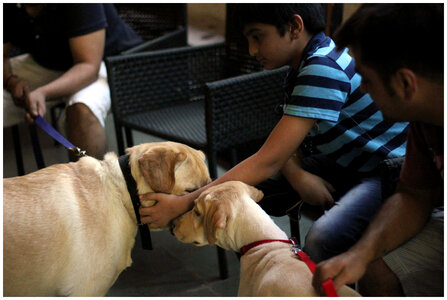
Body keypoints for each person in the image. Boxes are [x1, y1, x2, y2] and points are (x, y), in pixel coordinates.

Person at [139, 3, 408, 266]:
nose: (252, 50)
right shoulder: (303, 65)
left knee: (322, 238)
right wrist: (298, 175)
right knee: (240, 193)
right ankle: (260, 266)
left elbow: (269, 159)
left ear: (294, 26)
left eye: (257, 37)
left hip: (385, 173)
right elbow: (282, 149)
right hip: (345, 161)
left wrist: (182, 204)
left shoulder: (322, 68)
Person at [310, 4, 444, 296]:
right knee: (375, 272)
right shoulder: (425, 119)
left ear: (406, 83)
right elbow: (414, 196)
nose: (363, 91)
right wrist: (361, 253)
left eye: (367, 80)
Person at [3, 4, 143, 160]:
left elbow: (89, 67)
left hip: (106, 60)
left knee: (82, 110)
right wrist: (10, 80)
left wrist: (43, 93)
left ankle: (91, 182)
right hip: (48, 61)